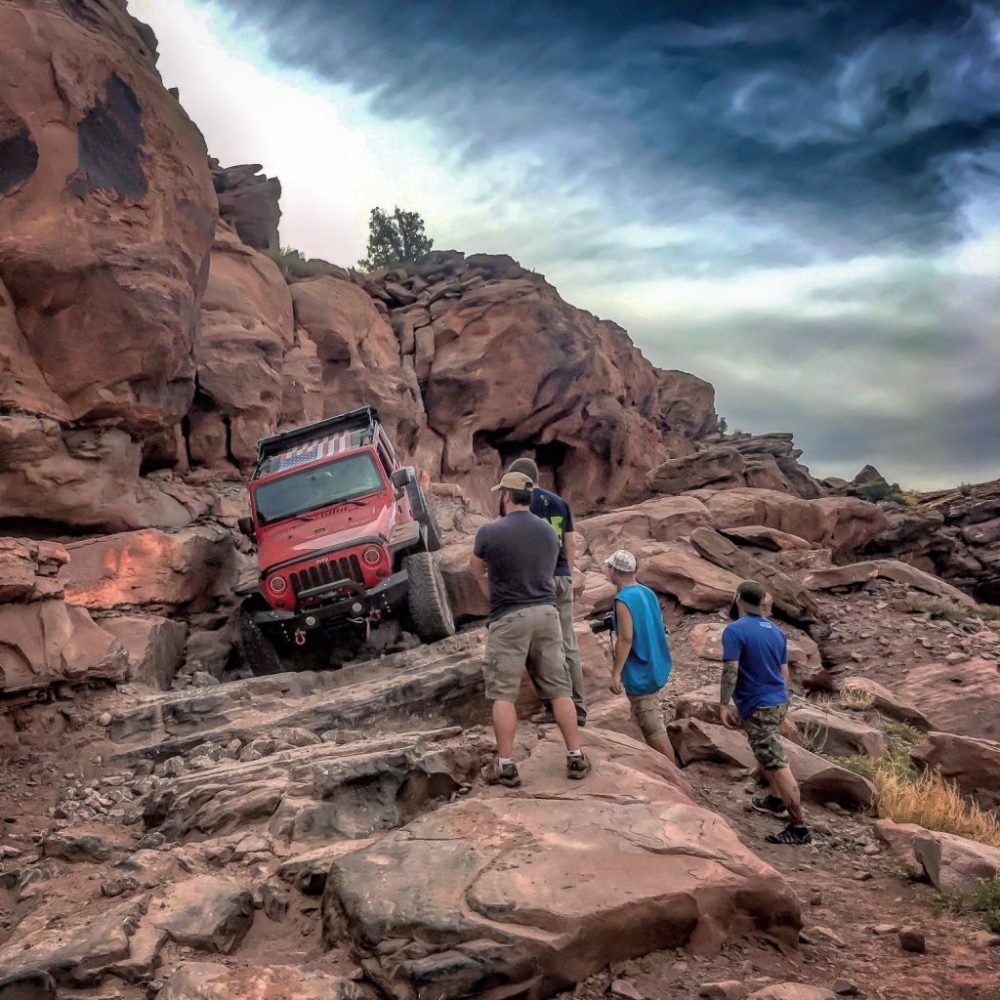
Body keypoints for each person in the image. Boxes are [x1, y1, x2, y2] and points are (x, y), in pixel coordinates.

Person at [470, 470, 591, 787]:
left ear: (506, 496)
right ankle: (575, 754)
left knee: (503, 694)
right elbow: (554, 566)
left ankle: (506, 765)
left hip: (509, 616)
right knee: (559, 688)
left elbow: (476, 570)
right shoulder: (548, 532)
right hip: (547, 612)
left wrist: (493, 596)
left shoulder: (489, 532)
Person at [720, 579, 812, 845]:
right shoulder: (776, 631)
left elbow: (730, 670)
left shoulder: (735, 630)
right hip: (777, 700)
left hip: (758, 705)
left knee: (775, 762)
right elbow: (784, 673)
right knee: (767, 752)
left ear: (738, 597)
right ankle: (775, 800)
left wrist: (724, 704)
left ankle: (800, 828)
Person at [506, 457, 587, 727]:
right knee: (567, 643)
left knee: (539, 648)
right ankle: (578, 707)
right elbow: (572, 542)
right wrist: (570, 572)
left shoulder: (522, 504)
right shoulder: (559, 503)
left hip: (537, 582)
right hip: (562, 576)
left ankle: (554, 707)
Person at [603, 549, 675, 760]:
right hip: (655, 662)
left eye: (609, 567)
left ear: (615, 570)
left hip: (640, 670)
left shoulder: (623, 599)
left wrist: (615, 672)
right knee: (649, 716)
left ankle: (672, 775)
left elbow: (626, 638)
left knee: (652, 726)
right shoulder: (647, 592)